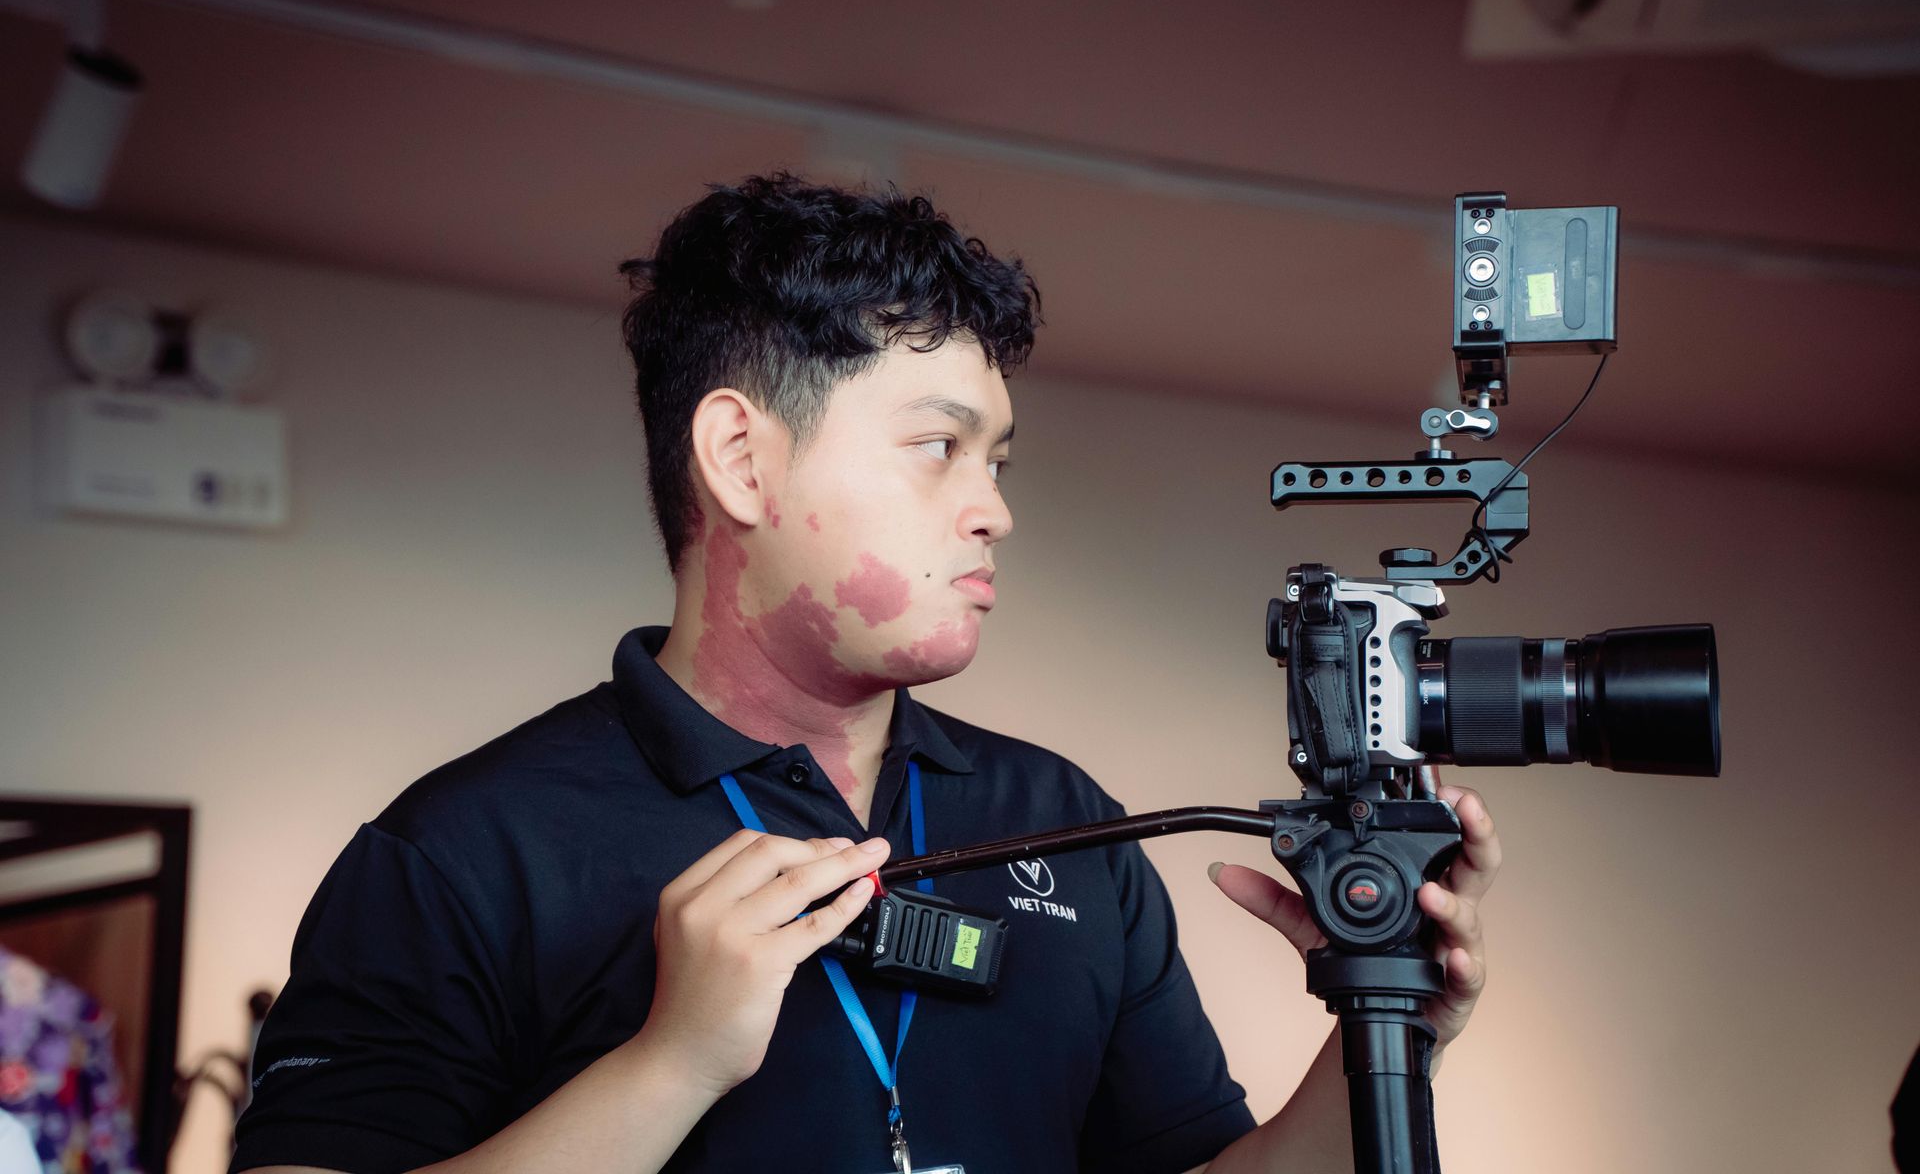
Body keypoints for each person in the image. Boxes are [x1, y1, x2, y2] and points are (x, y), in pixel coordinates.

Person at [230, 174, 1499, 1174]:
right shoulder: (460, 849)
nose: (994, 509)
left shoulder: (1066, 821)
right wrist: (670, 1063)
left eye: (999, 461)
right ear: (741, 459)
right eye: (940, 447)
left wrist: (1394, 1029)